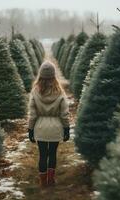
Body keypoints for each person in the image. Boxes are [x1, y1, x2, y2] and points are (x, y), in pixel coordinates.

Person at [27, 60, 70, 188]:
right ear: (53, 76)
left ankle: (42, 182)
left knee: (42, 155)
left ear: (40, 75)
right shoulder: (60, 92)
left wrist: (30, 129)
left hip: (40, 127)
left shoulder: (35, 91)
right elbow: (64, 114)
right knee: (52, 154)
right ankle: (51, 180)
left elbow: (32, 114)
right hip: (55, 128)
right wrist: (66, 128)